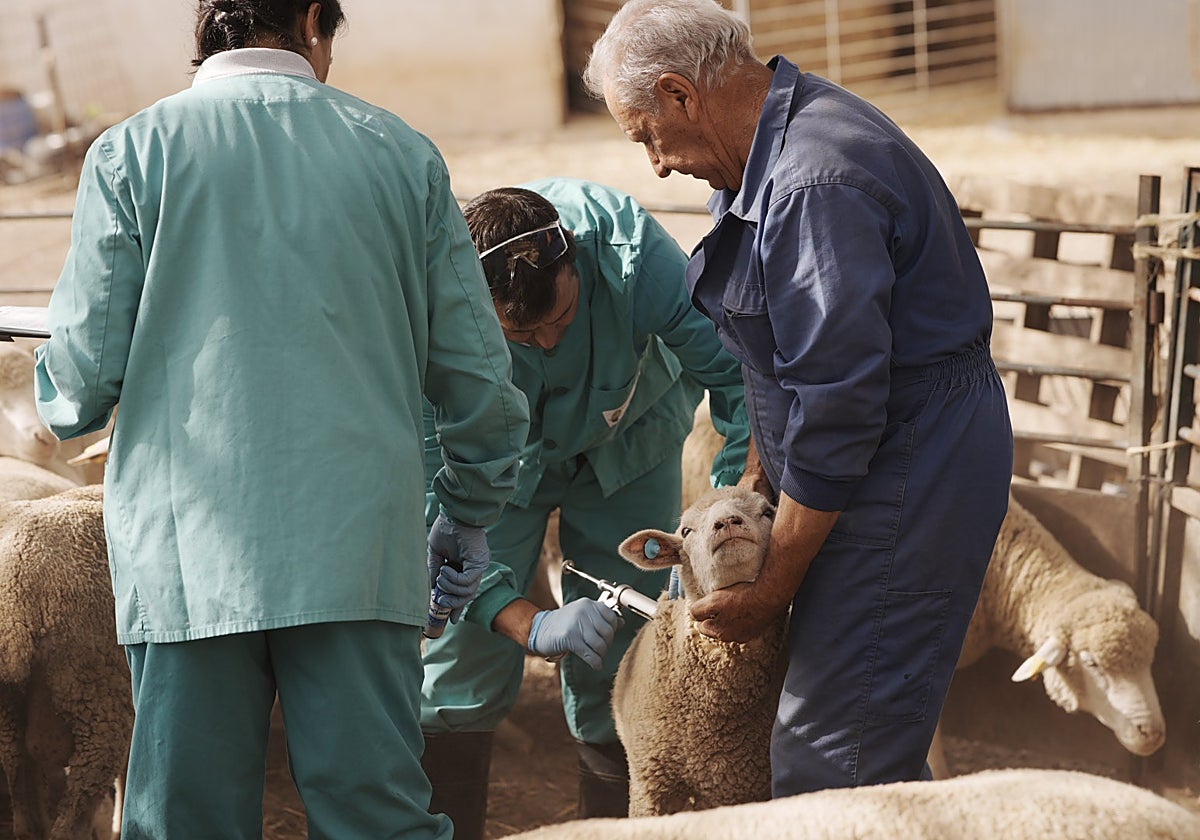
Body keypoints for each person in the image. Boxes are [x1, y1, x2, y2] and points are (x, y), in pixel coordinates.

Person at [32, 2, 529, 838]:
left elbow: (80, 383)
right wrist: (471, 509)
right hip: (358, 551)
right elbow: (478, 373)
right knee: (378, 817)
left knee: (188, 820)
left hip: (191, 553)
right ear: (310, 20)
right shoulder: (400, 153)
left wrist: (57, 395)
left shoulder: (132, 153)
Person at [583, 0, 1014, 797]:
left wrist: (776, 581)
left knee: (833, 753)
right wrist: (757, 473)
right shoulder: (763, 157)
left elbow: (840, 398)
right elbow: (779, 356)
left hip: (908, 459)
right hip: (862, 454)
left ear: (681, 94)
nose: (656, 164)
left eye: (645, 134)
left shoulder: (814, 183)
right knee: (862, 726)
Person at [419, 177, 750, 836]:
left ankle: (611, 822)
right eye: (521, 331)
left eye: (563, 320)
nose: (546, 343)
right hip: (495, 464)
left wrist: (726, 499)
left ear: (577, 262)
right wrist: (527, 624)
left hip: (630, 441)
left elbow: (739, 378)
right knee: (459, 653)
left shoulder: (630, 254)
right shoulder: (437, 312)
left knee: (622, 643)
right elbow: (437, 509)